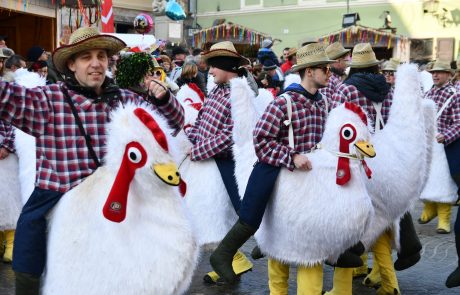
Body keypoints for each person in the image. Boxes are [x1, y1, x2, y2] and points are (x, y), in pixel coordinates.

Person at [0, 26, 183, 295]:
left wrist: (165, 97)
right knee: (28, 253)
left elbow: (172, 124)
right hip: (59, 199)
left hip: (116, 204)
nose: (96, 64)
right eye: (86, 57)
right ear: (71, 64)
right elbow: (6, 98)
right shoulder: (48, 100)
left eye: (101, 56)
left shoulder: (125, 100)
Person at [209, 43, 335, 287]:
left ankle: (342, 248)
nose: (330, 74)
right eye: (325, 69)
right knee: (254, 208)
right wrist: (292, 156)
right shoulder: (284, 102)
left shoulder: (324, 103)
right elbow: (261, 140)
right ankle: (224, 253)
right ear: (310, 71)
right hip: (279, 169)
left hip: (310, 178)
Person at [155, 40, 255, 284]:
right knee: (207, 214)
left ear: (226, 66)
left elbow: (234, 134)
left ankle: (233, 257)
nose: (209, 71)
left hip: (223, 164)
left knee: (223, 213)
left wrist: (199, 150)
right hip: (206, 161)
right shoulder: (217, 89)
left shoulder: (238, 93)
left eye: (213, 66)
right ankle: (231, 260)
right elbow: (203, 120)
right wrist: (190, 140)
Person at [419, 60, 460, 234]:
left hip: (445, 145)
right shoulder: (428, 93)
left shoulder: (455, 94)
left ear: (449, 75)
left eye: (440, 72)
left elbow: (459, 123)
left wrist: (446, 136)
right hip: (428, 145)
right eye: (433, 72)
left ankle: (444, 217)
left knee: (444, 181)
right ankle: (430, 208)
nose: (435, 75)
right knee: (426, 178)